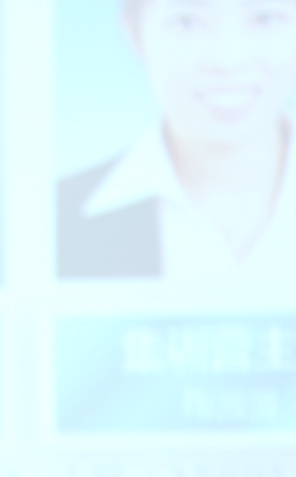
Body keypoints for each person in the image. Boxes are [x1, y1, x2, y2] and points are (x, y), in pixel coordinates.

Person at [57, 0, 296, 281]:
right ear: (135, 35)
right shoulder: (50, 221)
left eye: (266, 19)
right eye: (187, 22)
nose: (227, 59)